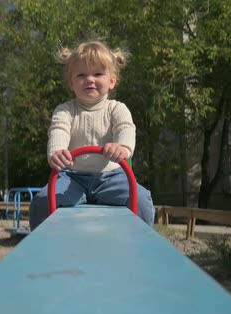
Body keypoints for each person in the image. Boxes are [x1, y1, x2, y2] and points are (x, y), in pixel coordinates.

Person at [29, 40, 155, 231]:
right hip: (72, 177)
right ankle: (42, 245)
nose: (90, 79)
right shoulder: (65, 111)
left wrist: (122, 147)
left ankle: (142, 243)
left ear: (112, 80)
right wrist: (57, 152)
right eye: (81, 75)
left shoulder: (117, 109)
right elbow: (58, 131)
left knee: (142, 200)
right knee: (42, 202)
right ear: (71, 83)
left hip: (111, 177)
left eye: (98, 74)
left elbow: (126, 129)